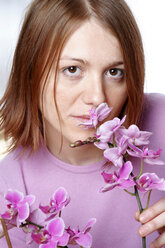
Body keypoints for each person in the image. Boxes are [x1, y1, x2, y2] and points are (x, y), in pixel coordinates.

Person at [0, 0, 165, 247]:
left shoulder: (160, 118)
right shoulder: (9, 189)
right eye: (72, 69)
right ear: (30, 71)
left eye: (114, 72)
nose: (97, 97)